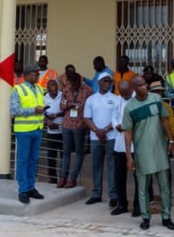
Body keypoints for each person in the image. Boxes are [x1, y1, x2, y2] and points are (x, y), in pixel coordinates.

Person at [123, 76, 174, 230]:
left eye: (145, 84)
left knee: (165, 186)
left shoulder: (156, 98)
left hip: (159, 150)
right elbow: (127, 133)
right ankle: (145, 218)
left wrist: (171, 141)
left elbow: (164, 121)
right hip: (142, 153)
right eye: (140, 85)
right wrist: (129, 156)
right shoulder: (130, 107)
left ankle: (166, 217)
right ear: (134, 88)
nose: (144, 87)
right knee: (143, 187)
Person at [10, 64, 46, 204]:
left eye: (38, 74)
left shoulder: (38, 88)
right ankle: (23, 190)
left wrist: (41, 111)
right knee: (23, 160)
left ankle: (31, 187)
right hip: (24, 130)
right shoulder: (18, 89)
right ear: (27, 75)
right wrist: (33, 110)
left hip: (37, 128)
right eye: (35, 74)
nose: (37, 76)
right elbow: (14, 110)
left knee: (33, 160)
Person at [83, 74, 119, 205]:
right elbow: (87, 118)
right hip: (95, 138)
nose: (108, 83)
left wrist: (105, 130)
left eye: (109, 81)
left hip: (111, 137)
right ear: (99, 82)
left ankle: (113, 196)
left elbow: (118, 118)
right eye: (105, 81)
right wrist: (97, 131)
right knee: (96, 166)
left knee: (112, 167)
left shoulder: (115, 99)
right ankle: (96, 193)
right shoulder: (91, 99)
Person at [58, 70, 91, 188]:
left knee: (79, 152)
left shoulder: (87, 90)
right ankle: (63, 177)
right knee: (66, 152)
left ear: (79, 81)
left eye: (74, 84)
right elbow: (61, 106)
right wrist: (68, 105)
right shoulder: (66, 89)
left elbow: (92, 106)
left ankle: (72, 178)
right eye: (70, 83)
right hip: (67, 124)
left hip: (80, 125)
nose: (72, 86)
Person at [111, 79, 136, 216]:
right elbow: (114, 116)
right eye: (122, 93)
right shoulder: (117, 100)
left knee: (138, 176)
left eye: (126, 93)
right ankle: (122, 204)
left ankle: (138, 206)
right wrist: (116, 125)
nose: (124, 96)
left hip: (135, 145)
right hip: (120, 143)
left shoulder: (136, 99)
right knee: (119, 176)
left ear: (131, 89)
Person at [43, 78, 64, 184]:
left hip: (63, 131)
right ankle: (52, 178)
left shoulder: (63, 95)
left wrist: (56, 115)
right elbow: (41, 113)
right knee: (51, 156)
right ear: (48, 88)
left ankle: (63, 177)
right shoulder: (44, 98)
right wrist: (48, 121)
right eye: (51, 86)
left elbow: (66, 110)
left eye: (55, 85)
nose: (54, 88)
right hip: (51, 131)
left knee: (64, 155)